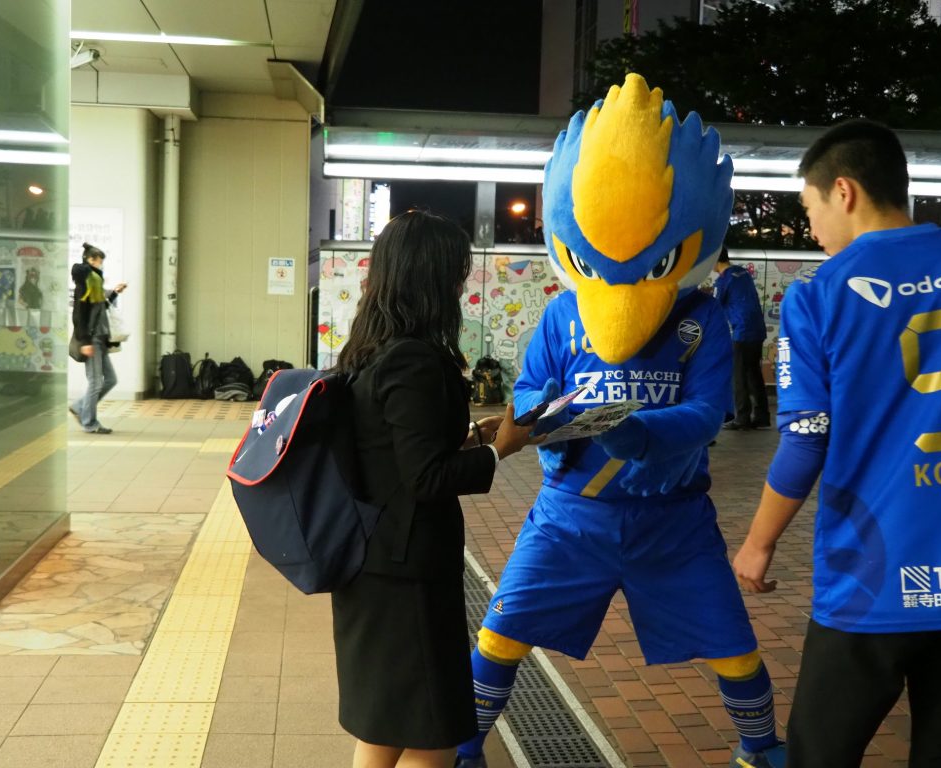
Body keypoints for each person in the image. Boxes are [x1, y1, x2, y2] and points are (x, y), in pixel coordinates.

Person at [457, 74, 785, 768]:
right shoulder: (562, 313)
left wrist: (639, 435)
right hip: (570, 514)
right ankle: (465, 747)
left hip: (675, 520)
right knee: (500, 635)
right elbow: (528, 387)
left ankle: (760, 748)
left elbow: (708, 414)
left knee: (733, 647)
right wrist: (545, 416)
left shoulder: (701, 318)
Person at [732, 118, 941, 767]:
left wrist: (757, 544)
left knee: (821, 753)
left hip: (872, 575)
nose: (811, 229)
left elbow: (806, 440)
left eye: (809, 209)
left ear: (844, 191)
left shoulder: (820, 295)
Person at [330, 210, 541, 768]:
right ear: (430, 278)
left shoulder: (370, 349)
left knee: (390, 724)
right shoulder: (414, 358)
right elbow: (425, 478)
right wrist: (501, 449)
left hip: (377, 562)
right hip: (407, 575)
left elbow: (394, 452)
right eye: (455, 273)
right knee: (428, 733)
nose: (460, 286)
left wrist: (472, 437)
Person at [70, 243, 126, 434]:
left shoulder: (95, 282)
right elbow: (80, 315)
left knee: (110, 379)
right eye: (99, 260)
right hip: (91, 340)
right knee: (95, 382)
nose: (101, 264)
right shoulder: (85, 283)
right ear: (90, 260)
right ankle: (89, 423)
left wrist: (114, 292)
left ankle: (80, 407)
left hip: (101, 339)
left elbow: (100, 307)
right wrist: (85, 342)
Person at [713, 247, 770, 430]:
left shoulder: (724, 279)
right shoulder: (743, 273)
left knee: (738, 374)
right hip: (757, 330)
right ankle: (762, 416)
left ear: (715, 260)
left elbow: (715, 306)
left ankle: (742, 417)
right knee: (753, 373)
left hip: (742, 331)